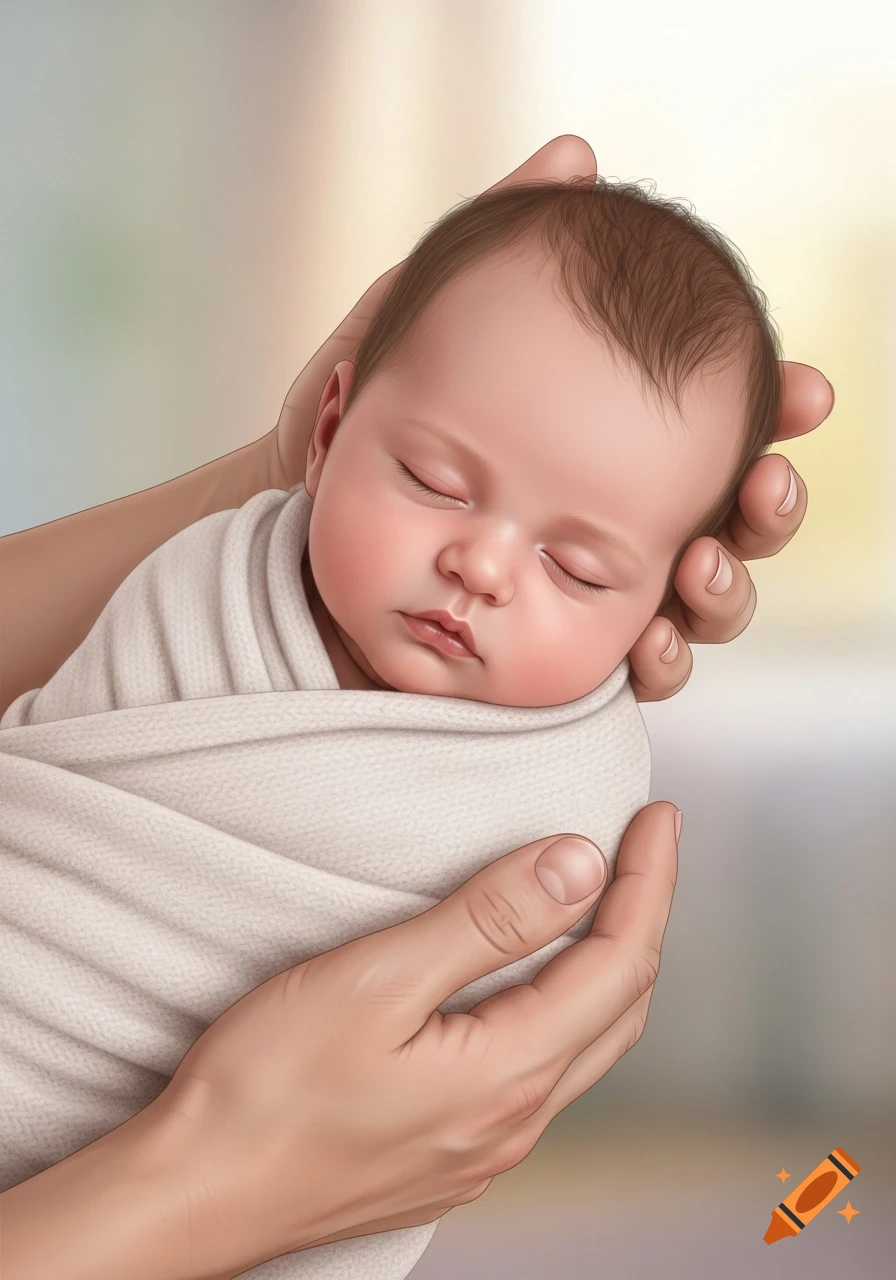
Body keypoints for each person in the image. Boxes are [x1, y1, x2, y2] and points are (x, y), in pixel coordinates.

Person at [0, 135, 833, 1280]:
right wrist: (203, 1181)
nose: (482, 565)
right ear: (333, 428)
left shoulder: (559, 792)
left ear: (660, 593)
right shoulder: (207, 583)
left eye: (581, 569)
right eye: (437, 483)